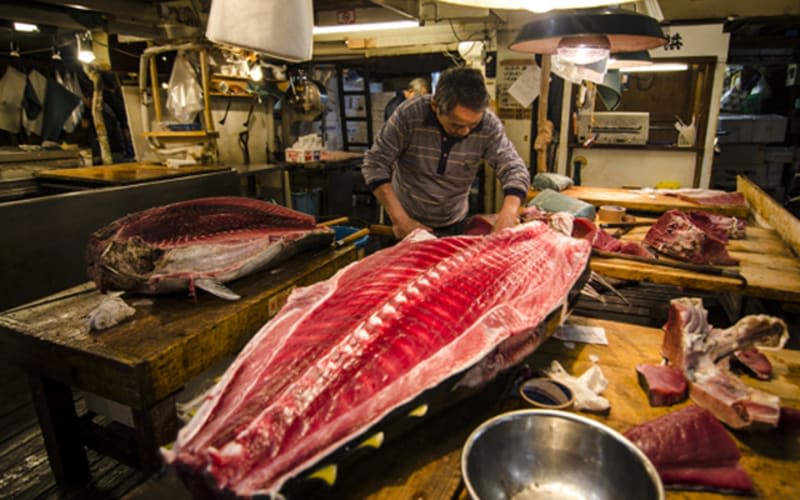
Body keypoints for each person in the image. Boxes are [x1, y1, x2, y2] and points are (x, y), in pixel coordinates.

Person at [363, 67, 530, 239]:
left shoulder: (489, 125)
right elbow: (375, 164)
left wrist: (509, 212)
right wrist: (400, 219)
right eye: (456, 125)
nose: (465, 131)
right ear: (435, 106)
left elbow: (513, 168)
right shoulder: (410, 115)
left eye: (473, 125)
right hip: (404, 218)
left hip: (453, 222)